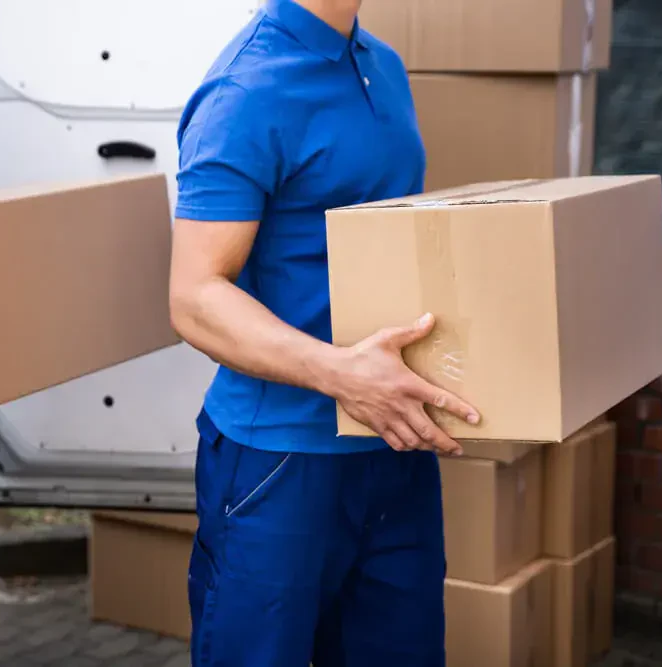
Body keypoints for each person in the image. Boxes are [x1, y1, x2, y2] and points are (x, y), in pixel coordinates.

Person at [168, 1, 481, 665]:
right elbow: (194, 297)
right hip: (280, 460)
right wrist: (342, 375)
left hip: (391, 438)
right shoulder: (245, 91)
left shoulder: (383, 66)